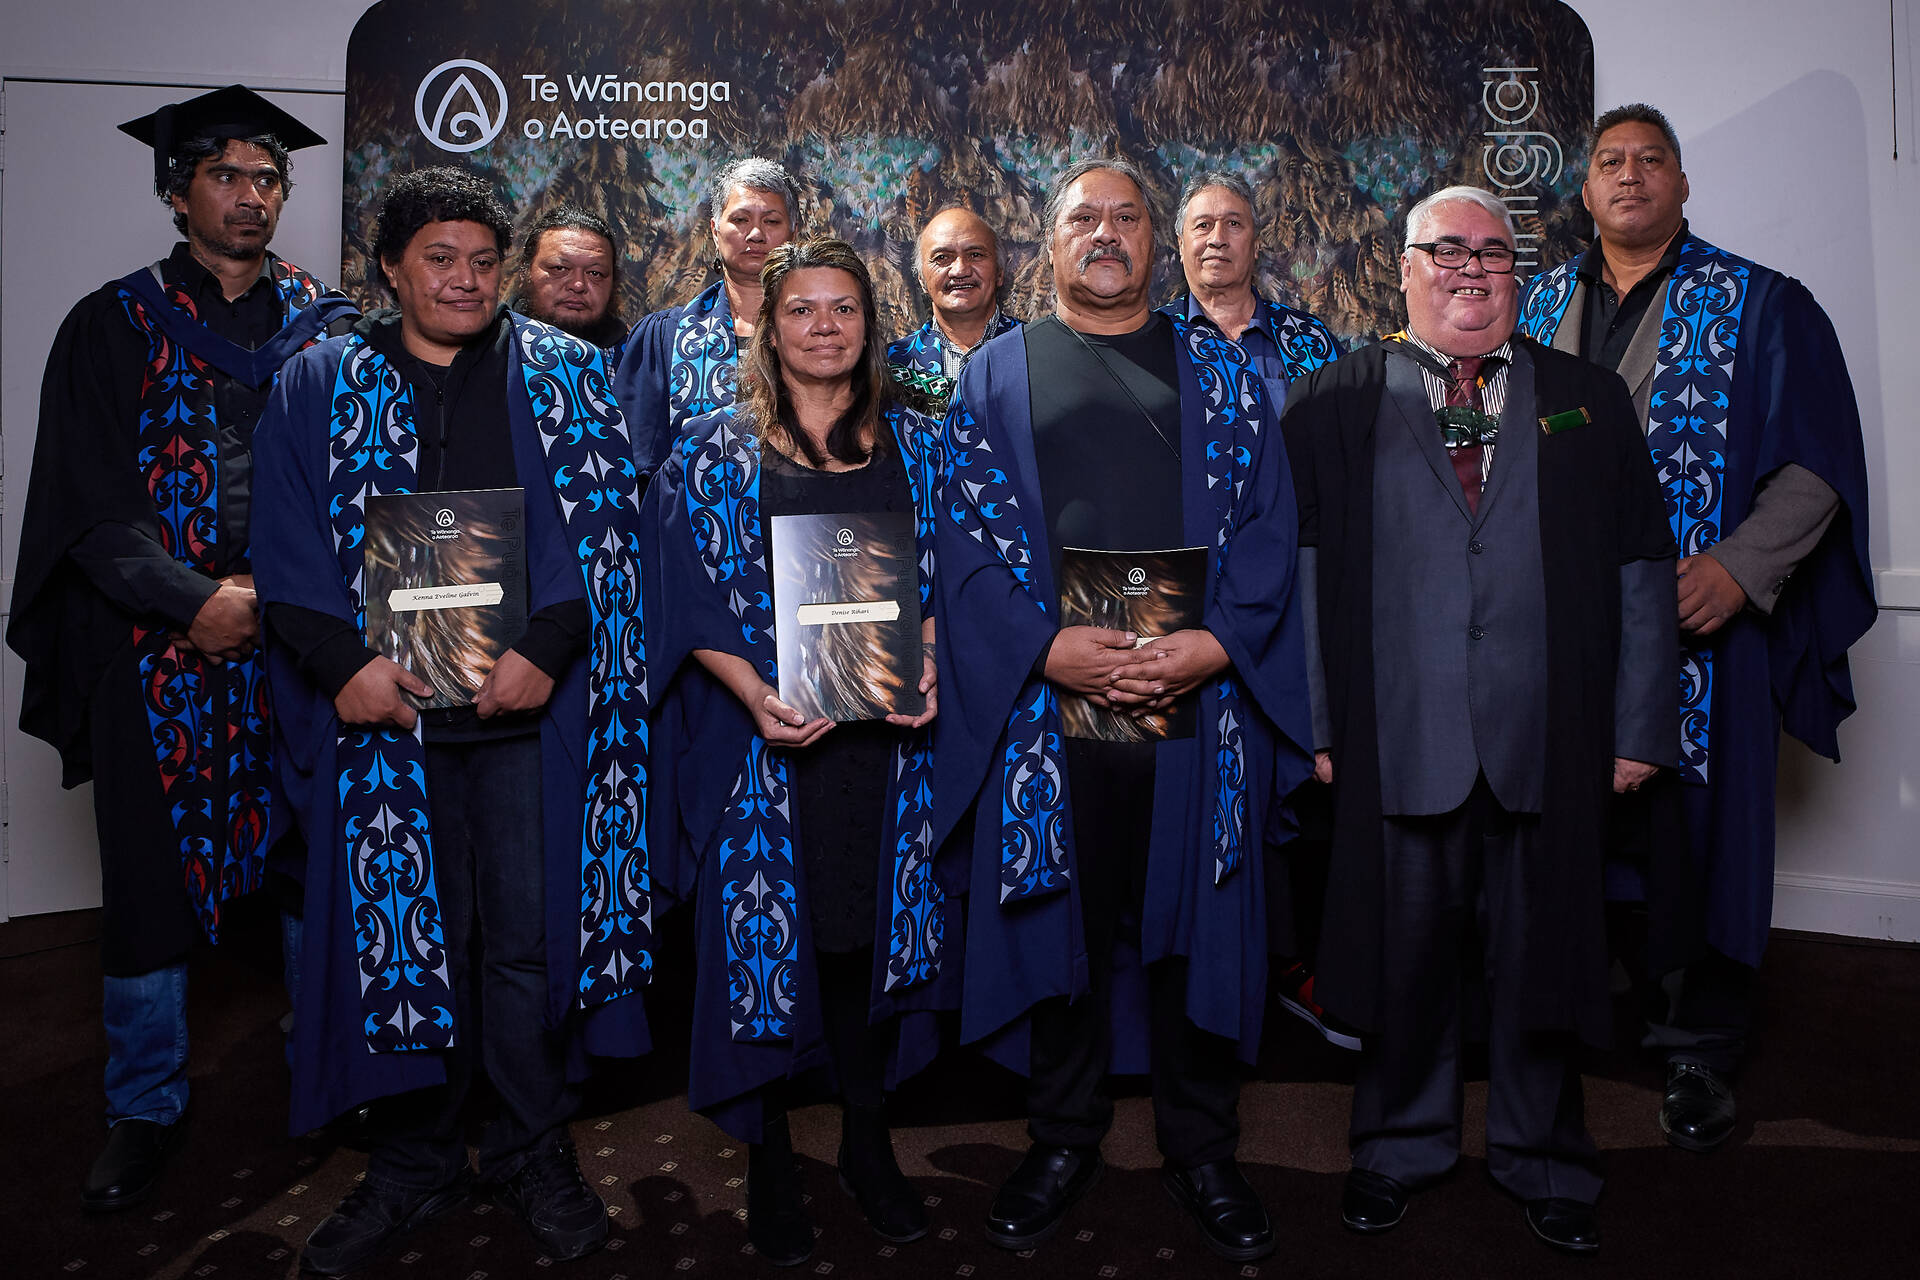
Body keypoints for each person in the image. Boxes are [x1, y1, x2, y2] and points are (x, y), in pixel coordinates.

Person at [252, 166, 652, 1275]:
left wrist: (546, 649)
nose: (466, 280)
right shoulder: (321, 381)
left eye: (483, 260)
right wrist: (342, 666)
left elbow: (607, 536)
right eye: (440, 258)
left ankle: (529, 1148)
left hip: (524, 719)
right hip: (386, 725)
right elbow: (284, 540)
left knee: (522, 946)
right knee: (403, 945)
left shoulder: (564, 372)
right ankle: (413, 1162)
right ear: (390, 267)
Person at [1282, 185, 1678, 1255]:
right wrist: (1317, 723)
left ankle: (1544, 1156)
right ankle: (1396, 1146)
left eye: (1493, 252)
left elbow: (1644, 565)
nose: (1471, 266)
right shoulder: (1329, 402)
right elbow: (1302, 573)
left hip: (1549, 736)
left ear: (1518, 273)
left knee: (1543, 960)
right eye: (1447, 249)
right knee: (1404, 960)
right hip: (1397, 736)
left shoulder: (1588, 399)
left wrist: (1639, 726)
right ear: (1404, 267)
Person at [933, 157, 1312, 1263]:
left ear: (1156, 240)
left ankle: (1203, 1146)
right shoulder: (997, 373)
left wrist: (1216, 642)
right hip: (1053, 711)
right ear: (1048, 242)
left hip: (1197, 703)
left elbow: (1271, 526)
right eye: (1083, 219)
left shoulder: (1223, 372)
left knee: (1199, 921)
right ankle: (1063, 1138)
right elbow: (958, 540)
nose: (1106, 234)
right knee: (1068, 917)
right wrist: (1046, 648)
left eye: (1127, 217)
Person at [6, 84, 356, 1213]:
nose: (251, 196)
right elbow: (83, 501)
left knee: (310, 859)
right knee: (149, 876)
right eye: (225, 176)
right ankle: (143, 1101)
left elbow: (367, 488)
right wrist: (192, 599)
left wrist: (281, 599)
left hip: (300, 644)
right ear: (176, 192)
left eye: (268, 178)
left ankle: (325, 1065)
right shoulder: (110, 324)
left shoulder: (333, 327)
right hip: (155, 646)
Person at [1517, 104, 1875, 1153]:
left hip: (1700, 624)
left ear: (1682, 182)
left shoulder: (1763, 304)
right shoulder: (1534, 303)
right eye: (1609, 161)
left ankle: (1697, 1047)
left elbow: (1817, 464)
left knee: (1696, 837)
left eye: (1651, 159)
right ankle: (1561, 1021)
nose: (1629, 175)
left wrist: (1740, 567)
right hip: (1561, 632)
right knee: (1563, 823)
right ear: (1584, 191)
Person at [644, 238, 948, 1266]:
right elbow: (680, 597)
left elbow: (956, 577)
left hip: (887, 752)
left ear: (871, 324)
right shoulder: (712, 453)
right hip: (764, 753)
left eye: (844, 308)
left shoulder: (921, 447)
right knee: (768, 948)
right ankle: (769, 1155)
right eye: (802, 309)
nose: (825, 327)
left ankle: (867, 1140)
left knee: (863, 941)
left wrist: (932, 659)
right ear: (769, 329)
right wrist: (752, 694)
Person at [1161, 169, 1351, 1049]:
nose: (1216, 239)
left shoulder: (1312, 345)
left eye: (1232, 224)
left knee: (1309, 775)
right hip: (1200, 608)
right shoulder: (1156, 344)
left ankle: (1304, 966)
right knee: (1214, 785)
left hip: (1303, 592)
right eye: (1201, 226)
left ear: (1255, 240)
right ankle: (1223, 967)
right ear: (1179, 244)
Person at [613, 157, 799, 473]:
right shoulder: (663, 337)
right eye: (740, 219)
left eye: (771, 221)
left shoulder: (822, 334)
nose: (756, 234)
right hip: (693, 502)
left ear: (794, 232)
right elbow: (636, 463)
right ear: (714, 231)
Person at [886, 206, 1020, 413]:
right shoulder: (890, 366)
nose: (960, 270)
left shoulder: (1034, 351)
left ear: (1000, 272)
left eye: (975, 254)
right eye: (942, 258)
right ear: (921, 279)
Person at [509, 205, 626, 351]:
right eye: (560, 268)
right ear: (525, 271)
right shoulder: (490, 348)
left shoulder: (636, 358)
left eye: (595, 273)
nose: (578, 285)